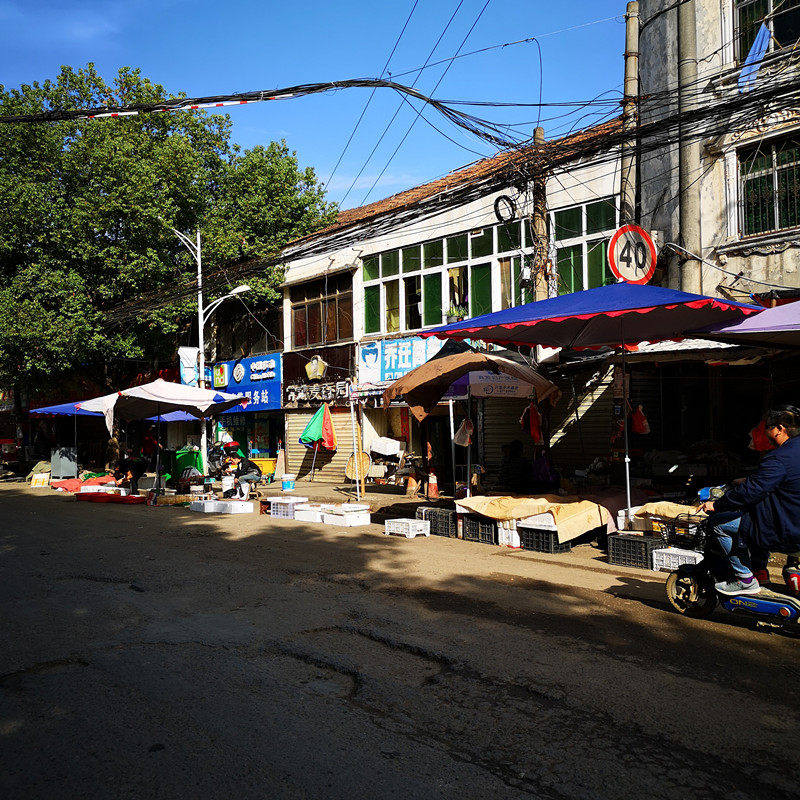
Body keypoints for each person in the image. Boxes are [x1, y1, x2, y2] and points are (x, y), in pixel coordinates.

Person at [699, 405, 800, 596]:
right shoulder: (790, 454)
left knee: (720, 523)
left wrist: (718, 504)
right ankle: (760, 571)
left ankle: (745, 580)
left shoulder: (778, 458)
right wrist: (751, 480)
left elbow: (749, 493)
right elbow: (785, 479)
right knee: (751, 519)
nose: (765, 432)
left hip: (788, 528)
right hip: (792, 518)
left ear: (779, 429)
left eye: (767, 427)